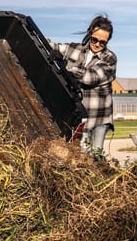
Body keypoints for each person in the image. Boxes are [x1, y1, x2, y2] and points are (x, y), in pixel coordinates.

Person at [50, 15, 117, 157]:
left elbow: (90, 78)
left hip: (99, 116)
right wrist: (50, 50)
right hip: (81, 115)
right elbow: (50, 45)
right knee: (82, 154)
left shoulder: (110, 59)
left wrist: (65, 67)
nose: (97, 44)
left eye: (102, 42)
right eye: (95, 39)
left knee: (96, 154)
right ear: (90, 33)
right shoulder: (74, 48)